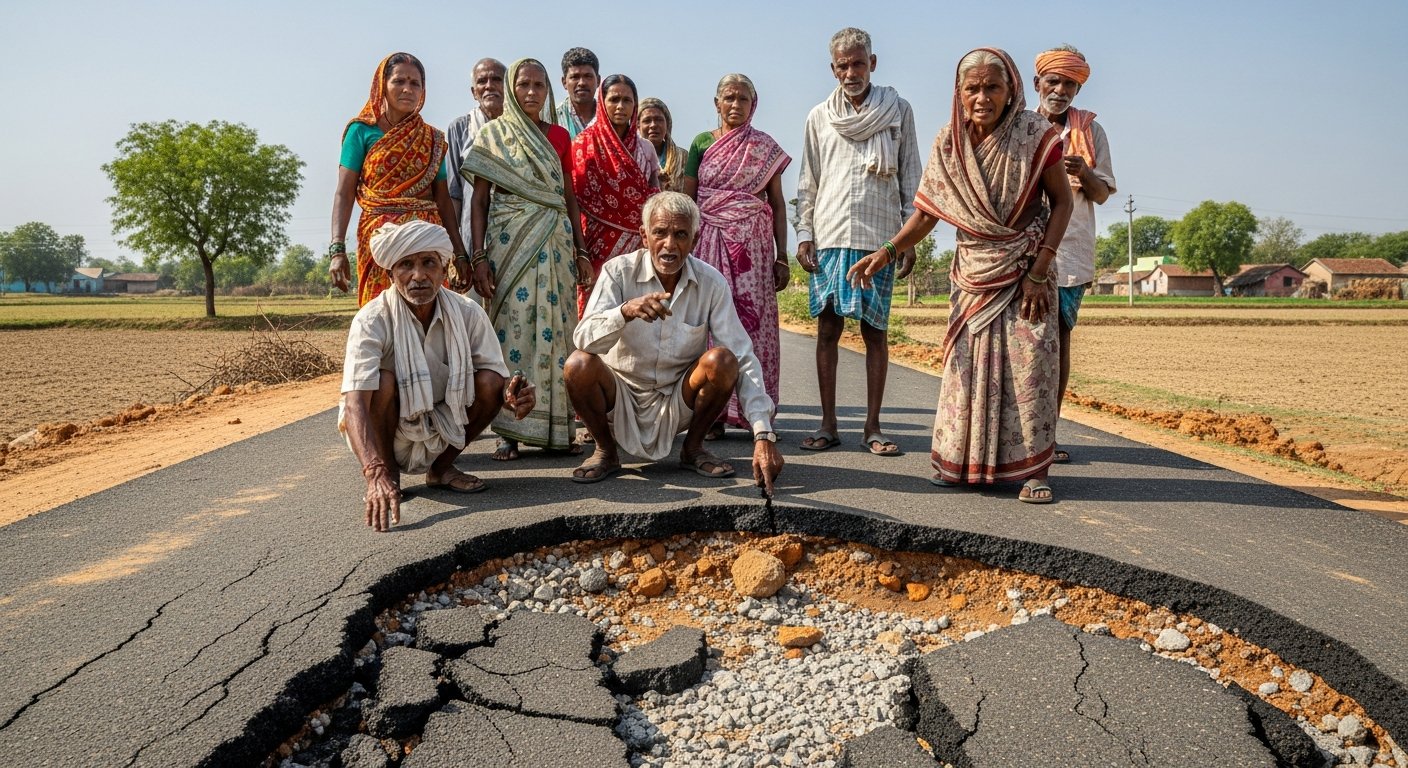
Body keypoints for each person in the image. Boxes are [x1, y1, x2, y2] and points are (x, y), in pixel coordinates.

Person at [848, 48, 1073, 503]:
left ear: (1011, 90)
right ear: (959, 92)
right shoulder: (949, 142)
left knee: (1030, 370)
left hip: (1025, 271)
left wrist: (1039, 270)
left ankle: (1035, 471)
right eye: (972, 88)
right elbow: (926, 214)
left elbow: (1062, 202)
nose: (982, 97)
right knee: (967, 370)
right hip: (972, 272)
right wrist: (887, 251)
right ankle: (962, 463)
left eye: (992, 87)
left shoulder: (1036, 134)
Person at [567, 191, 784, 493]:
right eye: (660, 233)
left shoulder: (711, 283)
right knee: (578, 364)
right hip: (620, 397)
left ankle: (693, 449)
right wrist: (624, 312)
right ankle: (605, 450)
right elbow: (584, 337)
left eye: (680, 235)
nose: (669, 245)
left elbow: (742, 356)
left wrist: (763, 434)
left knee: (722, 361)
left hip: (677, 399)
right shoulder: (618, 272)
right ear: (644, 237)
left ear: (694, 240)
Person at [339, 220, 536, 532]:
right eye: (406, 265)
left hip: (445, 426)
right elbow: (354, 404)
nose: (418, 275)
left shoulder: (468, 313)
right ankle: (388, 475)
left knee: (491, 381)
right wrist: (373, 471)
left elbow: (498, 382)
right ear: (391, 274)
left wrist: (513, 397)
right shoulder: (371, 320)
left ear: (444, 270)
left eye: (428, 263)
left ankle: (441, 469)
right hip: (388, 430)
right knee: (382, 381)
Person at [795, 28, 923, 457]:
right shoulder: (819, 116)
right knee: (828, 329)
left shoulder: (898, 110)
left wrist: (907, 239)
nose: (851, 72)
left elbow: (910, 177)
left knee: (875, 332)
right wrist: (805, 234)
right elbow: (809, 181)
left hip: (879, 237)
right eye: (843, 65)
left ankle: (872, 426)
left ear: (873, 63)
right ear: (833, 69)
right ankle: (828, 424)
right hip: (830, 234)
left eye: (858, 63)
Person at [463, 58, 590, 461]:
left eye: (539, 85)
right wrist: (479, 256)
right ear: (512, 90)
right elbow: (479, 200)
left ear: (548, 90)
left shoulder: (559, 136)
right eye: (523, 85)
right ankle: (509, 431)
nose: (532, 92)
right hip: (508, 243)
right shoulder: (492, 134)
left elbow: (568, 196)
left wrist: (581, 249)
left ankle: (557, 430)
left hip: (555, 241)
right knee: (512, 333)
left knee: (559, 331)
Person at [683, 74, 790, 441]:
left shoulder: (764, 147)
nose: (735, 104)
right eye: (729, 98)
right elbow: (689, 202)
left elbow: (777, 204)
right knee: (710, 325)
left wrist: (782, 256)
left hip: (753, 253)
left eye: (743, 98)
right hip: (708, 245)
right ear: (717, 103)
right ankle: (712, 413)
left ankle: (755, 411)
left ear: (753, 104)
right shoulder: (701, 143)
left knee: (753, 325)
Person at [330, 52, 468, 307]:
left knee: (430, 311)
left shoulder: (432, 139)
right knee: (380, 311)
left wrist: (459, 253)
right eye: (399, 81)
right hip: (380, 241)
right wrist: (337, 249)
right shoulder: (360, 131)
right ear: (382, 85)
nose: (407, 89)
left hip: (426, 241)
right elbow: (344, 192)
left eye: (415, 83)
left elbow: (442, 199)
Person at [1033, 45, 1116, 464]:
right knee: (1024, 344)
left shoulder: (1091, 132)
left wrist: (1083, 171)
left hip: (1071, 253)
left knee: (1059, 342)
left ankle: (1047, 434)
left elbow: (1101, 194)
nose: (1061, 90)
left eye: (1069, 84)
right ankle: (1019, 435)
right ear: (1038, 83)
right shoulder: (1022, 125)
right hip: (1026, 249)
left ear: (1078, 89)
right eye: (1054, 81)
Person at [571, 74, 660, 317]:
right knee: (597, 311)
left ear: (635, 105)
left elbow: (654, 196)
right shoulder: (582, 145)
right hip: (596, 245)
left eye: (627, 100)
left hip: (637, 245)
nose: (620, 106)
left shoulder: (645, 148)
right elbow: (574, 201)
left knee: (637, 309)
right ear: (602, 102)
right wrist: (580, 251)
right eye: (614, 99)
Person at [447, 58, 507, 258]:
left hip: (515, 229)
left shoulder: (520, 127)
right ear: (474, 92)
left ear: (508, 86)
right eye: (482, 81)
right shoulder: (460, 127)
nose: (489, 86)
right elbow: (454, 191)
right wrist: (456, 250)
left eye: (496, 79)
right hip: (471, 233)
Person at [639, 97, 689, 193]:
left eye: (659, 120)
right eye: (647, 120)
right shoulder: (631, 157)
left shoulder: (683, 157)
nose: (653, 125)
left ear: (667, 124)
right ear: (638, 125)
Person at [552, 47, 600, 138]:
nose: (582, 83)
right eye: (575, 77)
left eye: (588, 76)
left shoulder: (610, 118)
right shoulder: (552, 120)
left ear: (598, 81)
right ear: (564, 82)